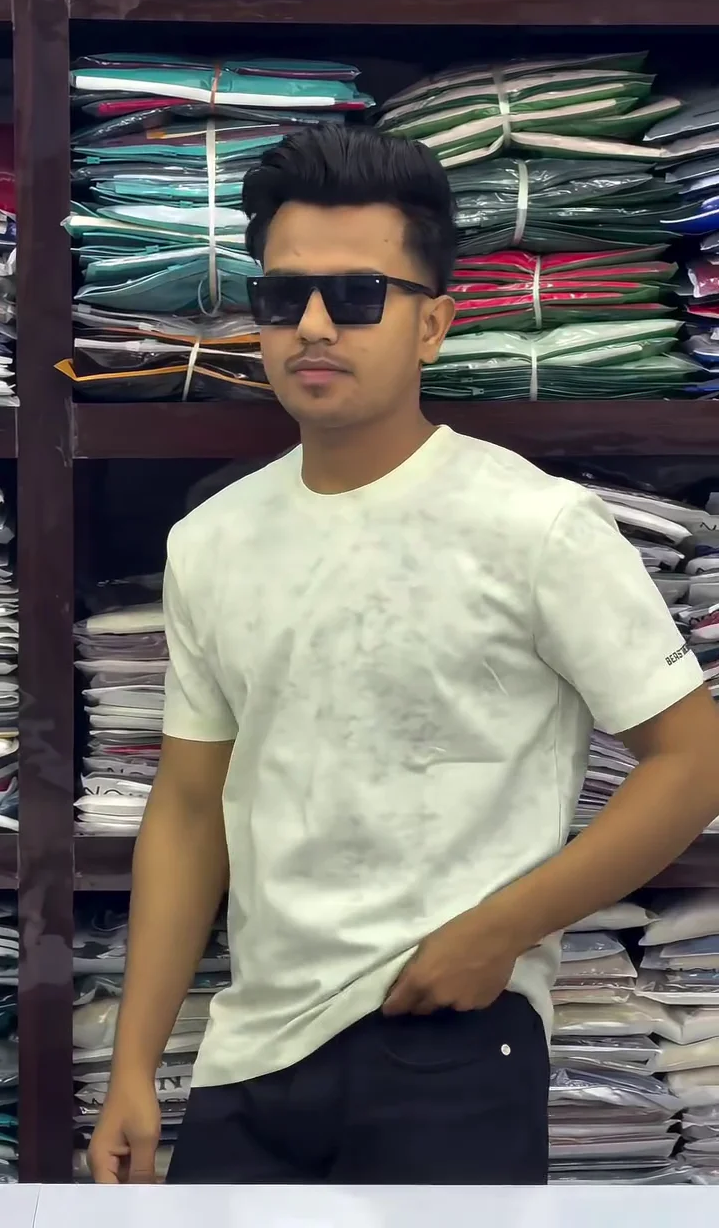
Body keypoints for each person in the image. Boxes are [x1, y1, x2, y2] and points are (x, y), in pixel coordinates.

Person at [88, 124, 719, 1187]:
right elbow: (191, 808)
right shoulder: (210, 542)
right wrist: (135, 1067)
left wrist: (500, 932)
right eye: (283, 297)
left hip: (450, 1036)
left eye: (357, 295)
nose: (314, 325)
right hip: (251, 1053)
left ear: (434, 324)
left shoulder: (535, 526)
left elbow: (693, 761)